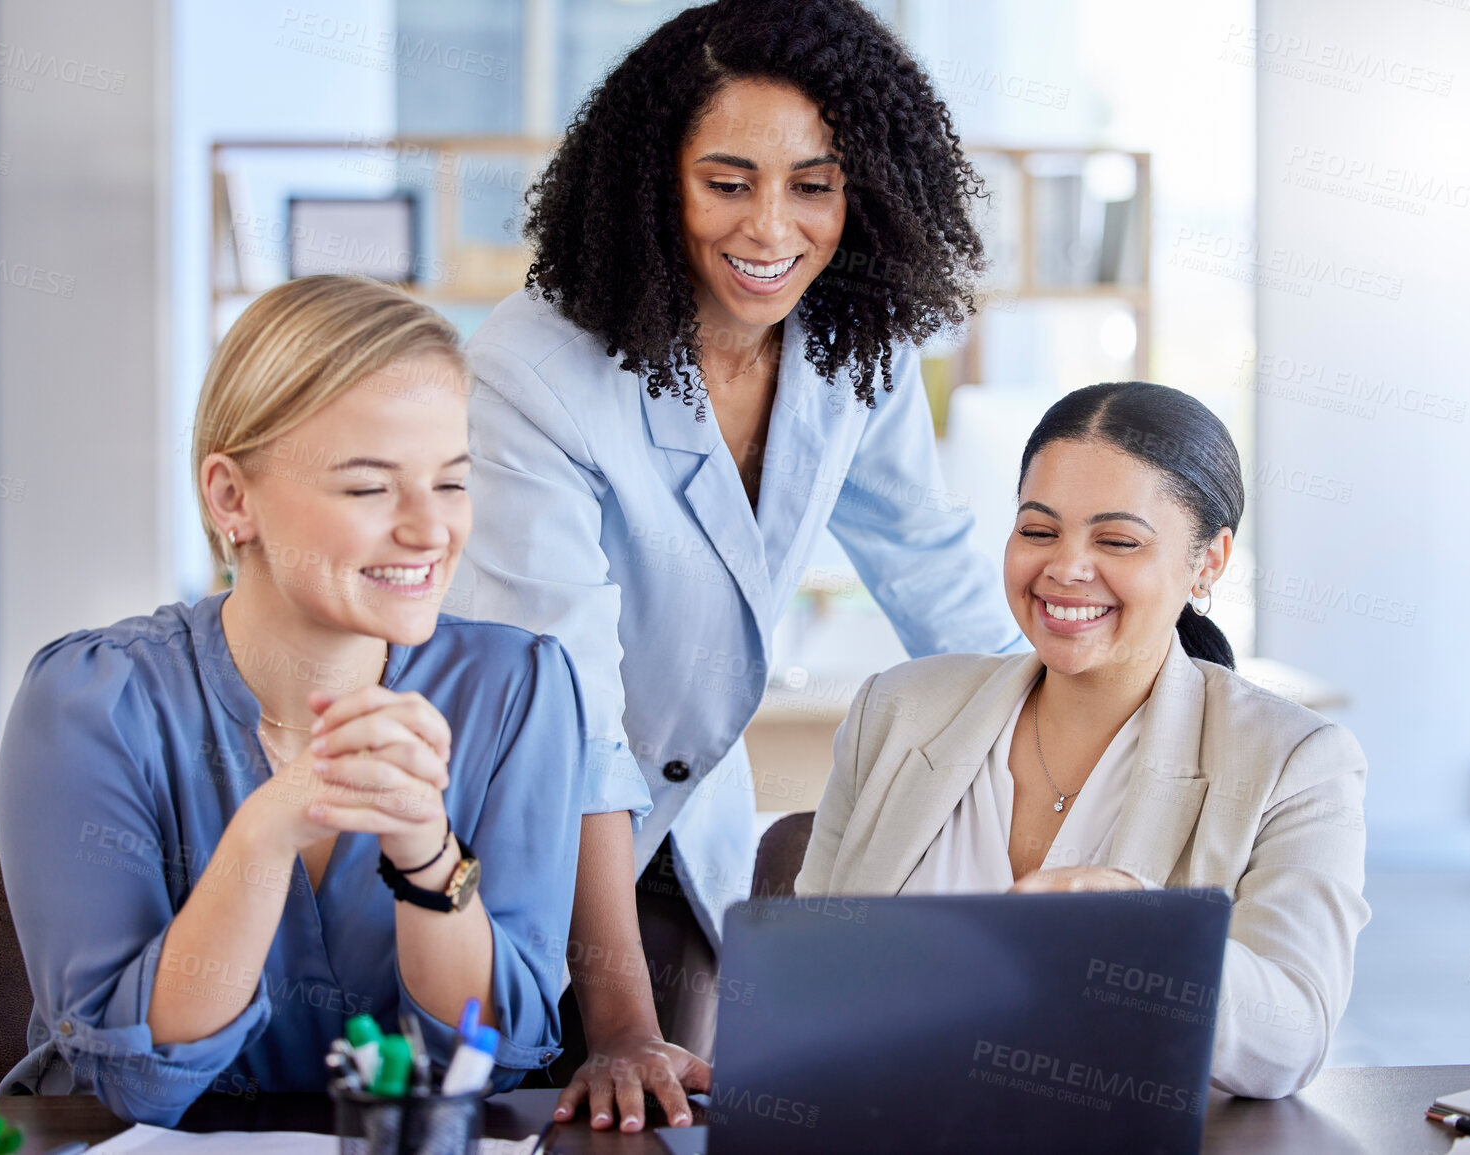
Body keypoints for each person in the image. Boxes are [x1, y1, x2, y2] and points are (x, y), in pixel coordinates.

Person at [453, 0, 1023, 1131]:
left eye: (813, 185)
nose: (773, 228)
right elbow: (571, 709)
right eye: (727, 181)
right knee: (543, 1088)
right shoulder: (533, 368)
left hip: (689, 821)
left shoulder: (854, 343)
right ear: (652, 181)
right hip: (516, 820)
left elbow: (932, 571)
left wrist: (1122, 721)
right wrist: (616, 1021)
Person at [0, 276, 586, 1123]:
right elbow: (131, 1082)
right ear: (233, 497)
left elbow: (489, 1059)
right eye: (368, 487)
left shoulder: (517, 690)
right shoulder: (91, 703)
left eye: (451, 482)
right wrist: (266, 834)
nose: (430, 530)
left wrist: (426, 856)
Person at [797, 382, 1371, 1099]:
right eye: (1038, 531)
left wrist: (1141, 928)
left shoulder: (1295, 760)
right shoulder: (897, 708)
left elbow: (1290, 1037)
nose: (1064, 567)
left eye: (1116, 540)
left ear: (1209, 561)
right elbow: (805, 984)